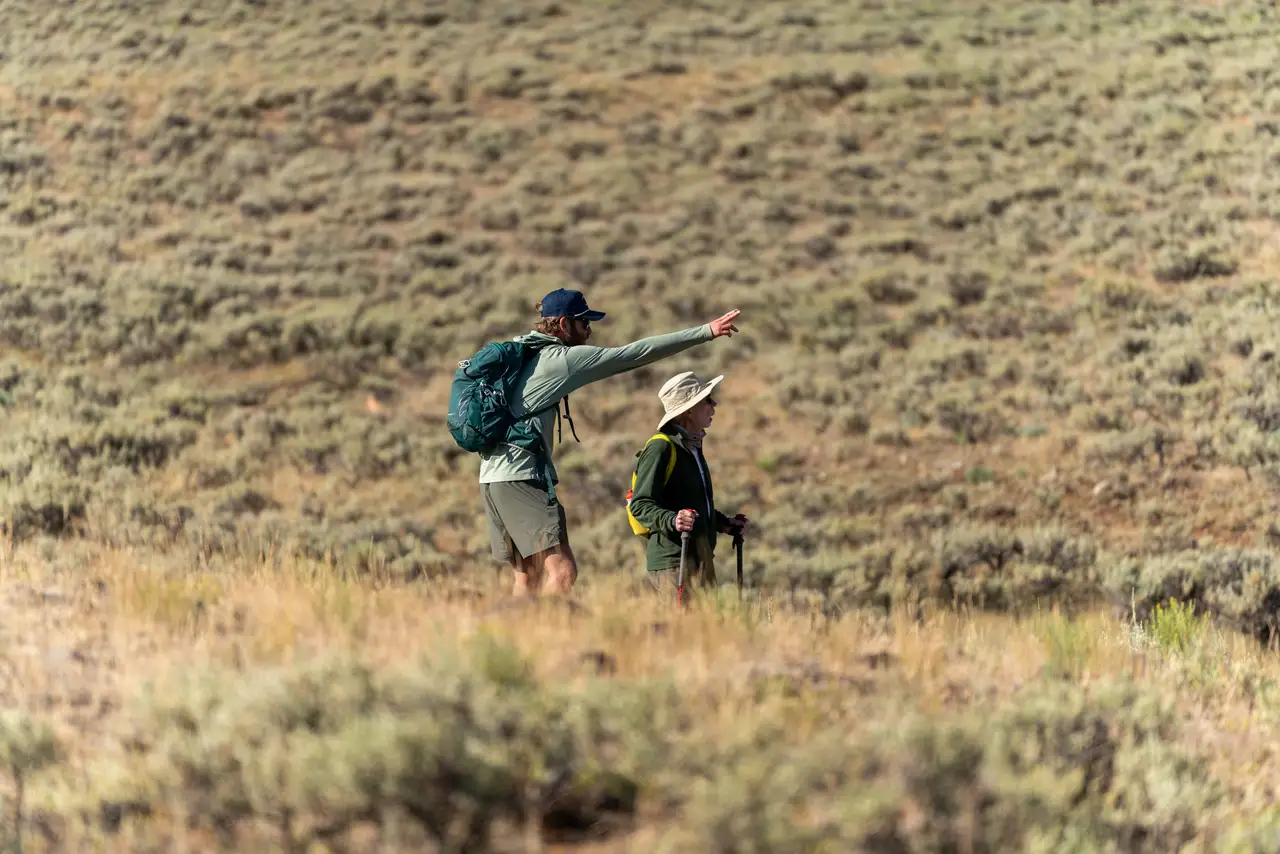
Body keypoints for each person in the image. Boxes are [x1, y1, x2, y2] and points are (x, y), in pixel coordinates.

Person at [479, 288, 743, 597]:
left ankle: (520, 639)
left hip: (493, 478)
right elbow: (632, 354)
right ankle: (548, 638)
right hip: (523, 477)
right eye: (584, 323)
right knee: (562, 573)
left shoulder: (523, 351)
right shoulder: (560, 359)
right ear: (564, 325)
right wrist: (704, 332)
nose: (590, 331)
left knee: (528, 576)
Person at [626, 371, 749, 601]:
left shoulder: (692, 447)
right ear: (689, 411)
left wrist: (723, 524)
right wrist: (674, 520)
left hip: (700, 559)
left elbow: (690, 503)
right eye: (707, 400)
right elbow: (640, 505)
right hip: (674, 563)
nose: (714, 405)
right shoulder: (660, 448)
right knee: (681, 634)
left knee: (705, 633)